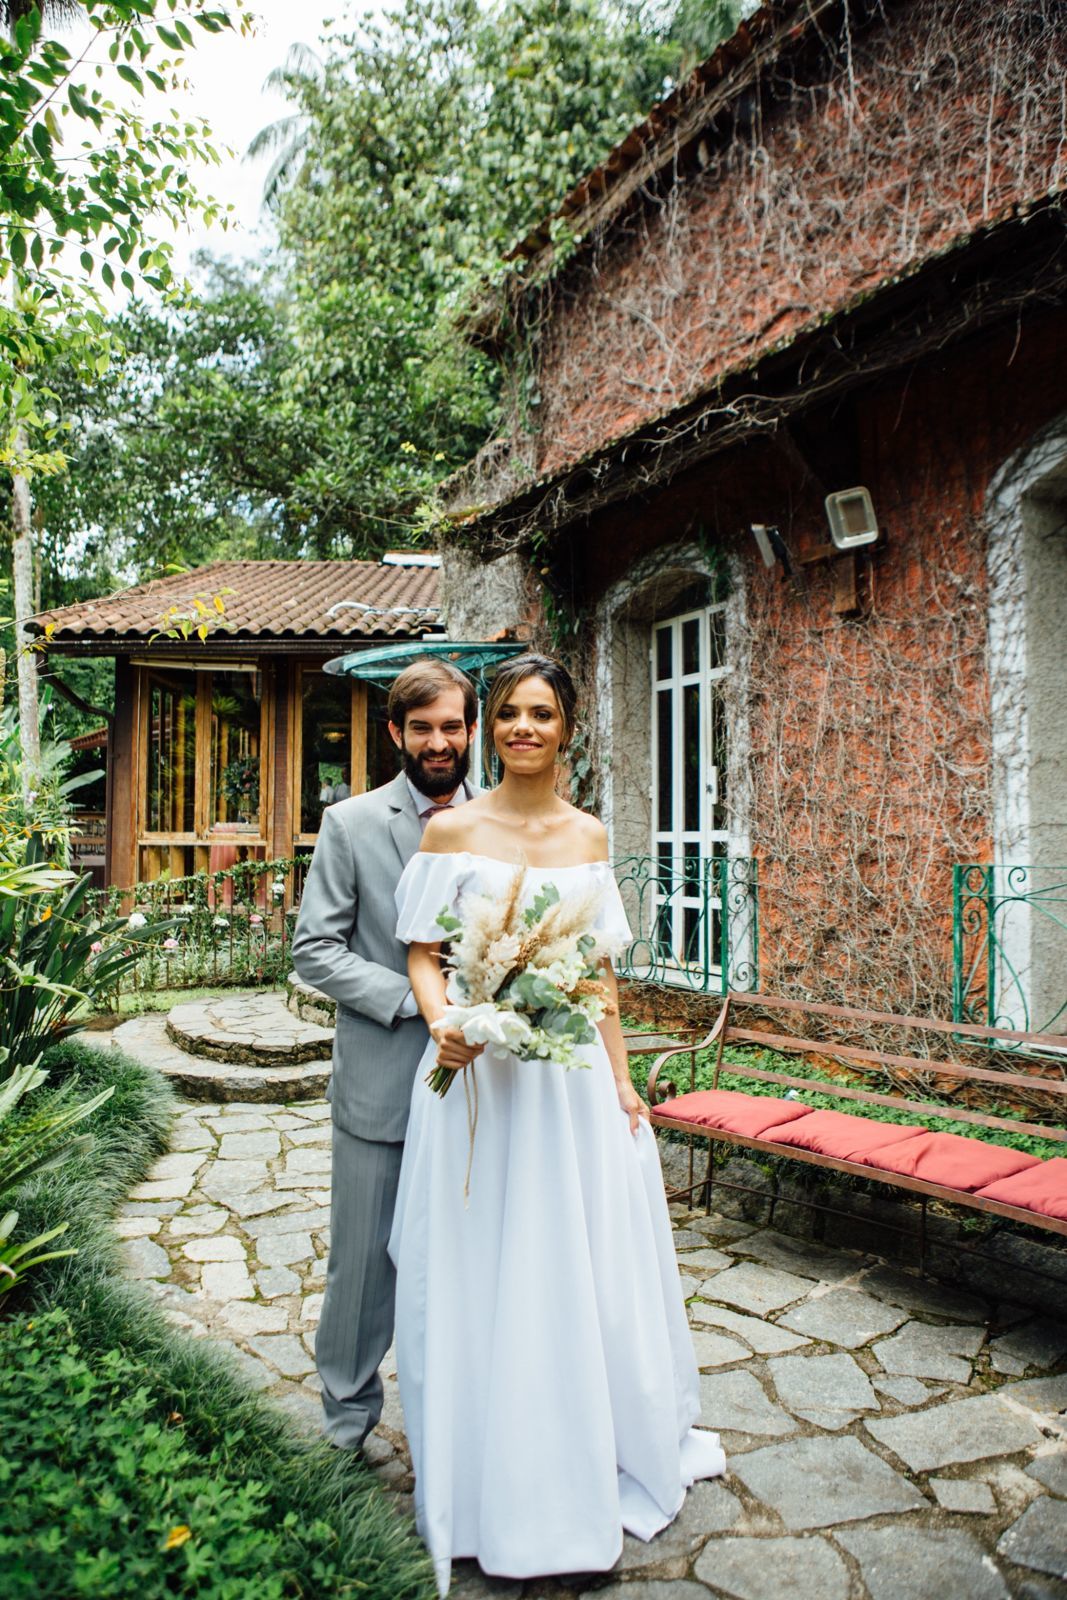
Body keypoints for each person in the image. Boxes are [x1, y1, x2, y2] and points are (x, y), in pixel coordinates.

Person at [391, 652, 725, 1594]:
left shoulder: (586, 837)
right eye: (506, 714)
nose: (522, 728)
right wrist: (446, 1022)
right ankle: (481, 1466)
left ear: (568, 728)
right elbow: (422, 953)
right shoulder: (451, 828)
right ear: (488, 727)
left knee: (574, 1264)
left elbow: (599, 977)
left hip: (567, 1083)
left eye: (541, 713)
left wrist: (622, 1085)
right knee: (480, 1262)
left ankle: (578, 1448)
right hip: (479, 1080)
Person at [291, 658, 480, 1449]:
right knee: (365, 1266)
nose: (440, 743)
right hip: (383, 1082)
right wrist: (422, 1003)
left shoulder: (507, 823)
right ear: (396, 732)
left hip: (488, 1087)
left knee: (478, 1264)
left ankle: (468, 1423)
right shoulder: (353, 824)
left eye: (453, 726)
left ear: (471, 731)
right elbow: (313, 951)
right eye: (424, 728)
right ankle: (345, 1422)